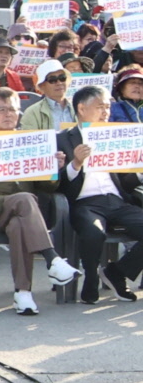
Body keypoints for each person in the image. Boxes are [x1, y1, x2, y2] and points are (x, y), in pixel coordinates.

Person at [0, 86, 82, 314]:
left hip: (25, 214)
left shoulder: (31, 142)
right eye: (1, 110)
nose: (8, 114)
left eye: (13, 109)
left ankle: (23, 294)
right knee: (24, 199)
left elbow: (48, 187)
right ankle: (52, 258)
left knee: (18, 224)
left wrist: (53, 169)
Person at [56, 82, 143, 304]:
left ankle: (117, 272)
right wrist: (75, 163)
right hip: (85, 202)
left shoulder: (116, 135)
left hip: (117, 200)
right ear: (82, 109)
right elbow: (56, 184)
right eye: (100, 107)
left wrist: (138, 168)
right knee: (94, 232)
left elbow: (127, 180)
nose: (106, 112)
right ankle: (91, 278)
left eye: (108, 107)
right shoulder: (63, 139)